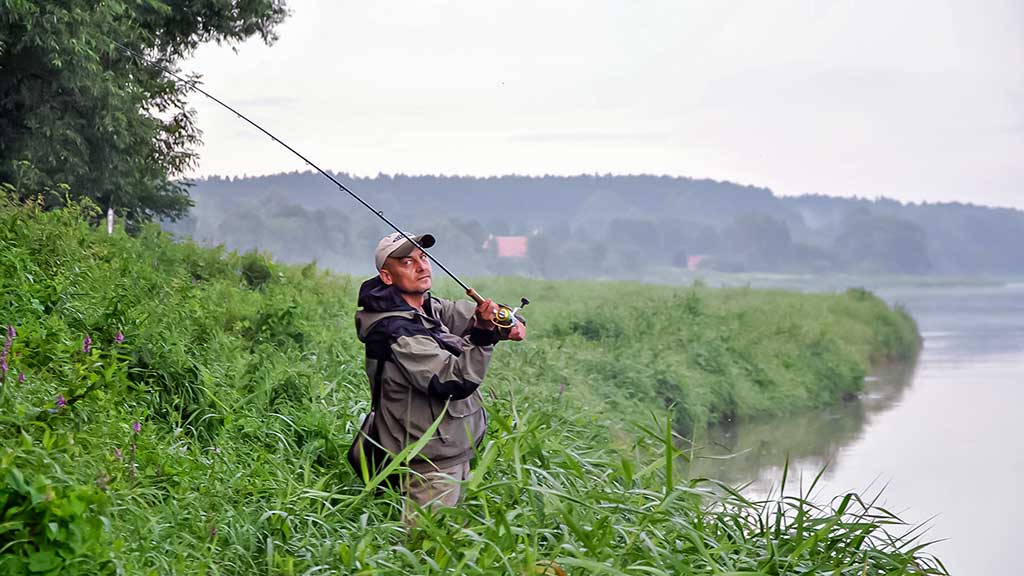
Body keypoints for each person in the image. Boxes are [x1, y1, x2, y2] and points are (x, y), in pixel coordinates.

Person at [354, 231, 525, 519]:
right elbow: (453, 380)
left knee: (451, 550)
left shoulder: (429, 308)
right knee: (425, 553)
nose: (422, 266)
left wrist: (508, 321)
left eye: (423, 257)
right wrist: (483, 335)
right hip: (428, 466)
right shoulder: (396, 331)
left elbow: (472, 313)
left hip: (452, 453)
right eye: (407, 262)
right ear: (386, 276)